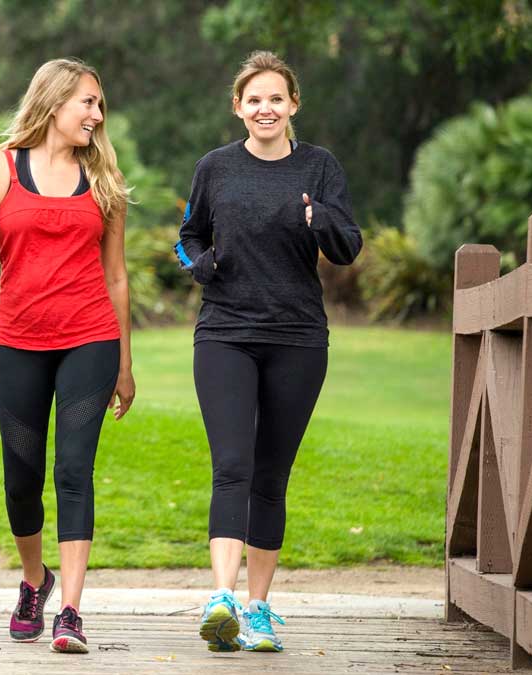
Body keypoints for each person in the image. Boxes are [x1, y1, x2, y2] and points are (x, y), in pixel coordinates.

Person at [175, 50, 362, 653]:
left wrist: (319, 219)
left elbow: (348, 246)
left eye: (276, 98)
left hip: (298, 338)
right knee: (232, 464)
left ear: (293, 105)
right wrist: (201, 264)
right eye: (254, 99)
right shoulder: (215, 168)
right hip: (226, 333)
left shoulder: (320, 167)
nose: (265, 108)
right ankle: (222, 599)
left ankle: (258, 610)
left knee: (271, 477)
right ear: (238, 107)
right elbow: (188, 236)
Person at [0, 58, 136, 654]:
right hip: (17, 342)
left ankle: (71, 612)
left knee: (73, 469)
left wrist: (126, 365)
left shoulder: (104, 175)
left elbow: (117, 277)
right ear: (55, 102)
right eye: (88, 101)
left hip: (90, 338)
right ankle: (35, 582)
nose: (96, 113)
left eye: (99, 104)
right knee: (22, 478)